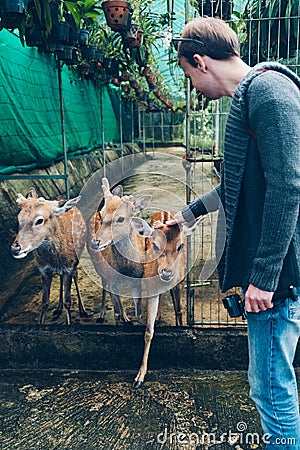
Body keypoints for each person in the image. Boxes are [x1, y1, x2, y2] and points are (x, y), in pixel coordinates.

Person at [167, 16, 300, 449]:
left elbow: (288, 186)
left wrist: (262, 278)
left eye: (188, 74)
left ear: (201, 61)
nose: (192, 86)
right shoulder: (252, 97)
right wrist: (187, 216)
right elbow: (239, 183)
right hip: (274, 274)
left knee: (271, 388)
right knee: (270, 383)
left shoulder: (268, 92)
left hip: (278, 280)